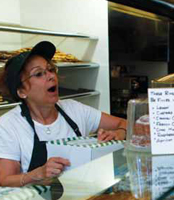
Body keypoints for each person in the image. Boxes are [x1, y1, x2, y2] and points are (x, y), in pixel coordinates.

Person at [0, 41, 127, 187]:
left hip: (81, 198)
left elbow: (125, 123)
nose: (50, 76)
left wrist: (120, 133)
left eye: (50, 69)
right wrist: (35, 175)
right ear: (21, 92)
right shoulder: (8, 126)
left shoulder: (74, 109)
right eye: (39, 74)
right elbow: (5, 179)